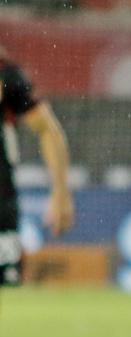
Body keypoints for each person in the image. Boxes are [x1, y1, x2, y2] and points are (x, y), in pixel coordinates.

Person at [0, 46, 75, 286]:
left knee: (7, 301)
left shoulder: (5, 74)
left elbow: (48, 130)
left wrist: (60, 193)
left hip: (1, 210)